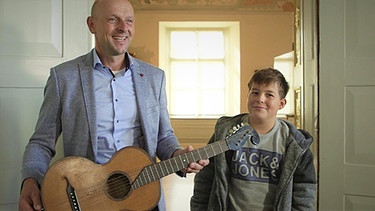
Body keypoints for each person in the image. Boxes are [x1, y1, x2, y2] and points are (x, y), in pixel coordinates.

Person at [18, 0, 208, 210]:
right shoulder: (64, 77)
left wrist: (177, 154)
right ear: (92, 25)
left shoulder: (155, 77)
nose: (123, 28)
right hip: (87, 199)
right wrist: (30, 180)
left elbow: (163, 137)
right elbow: (41, 142)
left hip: (144, 197)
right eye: (113, 19)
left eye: (129, 21)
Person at [190, 68, 316, 210]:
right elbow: (205, 178)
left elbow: (304, 192)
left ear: (281, 103)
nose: (260, 99)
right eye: (255, 92)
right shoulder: (225, 132)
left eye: (269, 94)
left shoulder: (296, 144)